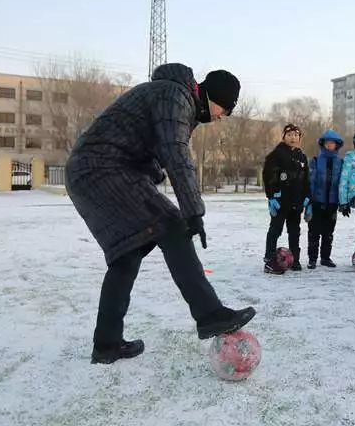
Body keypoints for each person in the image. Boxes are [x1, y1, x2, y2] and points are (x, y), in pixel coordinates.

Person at [65, 64, 255, 364]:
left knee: (127, 254)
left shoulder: (174, 98)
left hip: (92, 170)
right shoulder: (175, 97)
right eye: (225, 109)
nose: (222, 117)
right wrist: (193, 211)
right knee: (173, 225)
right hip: (102, 169)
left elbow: (148, 147)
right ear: (212, 96)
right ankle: (210, 314)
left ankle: (107, 344)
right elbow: (176, 154)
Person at [262, 123, 310, 273]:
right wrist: (271, 197)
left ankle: (294, 259)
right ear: (284, 137)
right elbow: (268, 176)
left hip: (296, 202)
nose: (293, 138)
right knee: (275, 230)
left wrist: (308, 197)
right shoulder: (276, 154)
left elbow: (306, 179)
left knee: (294, 231)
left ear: (299, 138)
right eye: (289, 135)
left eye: (296, 135)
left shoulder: (302, 156)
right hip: (280, 201)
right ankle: (269, 259)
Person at [307, 129, 344, 269]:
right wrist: (309, 201)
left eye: (332, 143)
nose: (330, 145)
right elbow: (311, 181)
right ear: (322, 144)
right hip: (317, 202)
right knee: (314, 232)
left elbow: (342, 182)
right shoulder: (315, 161)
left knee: (328, 233)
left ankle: (325, 258)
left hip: (332, 204)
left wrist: (342, 202)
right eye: (327, 143)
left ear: (337, 145)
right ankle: (312, 259)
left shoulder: (340, 163)